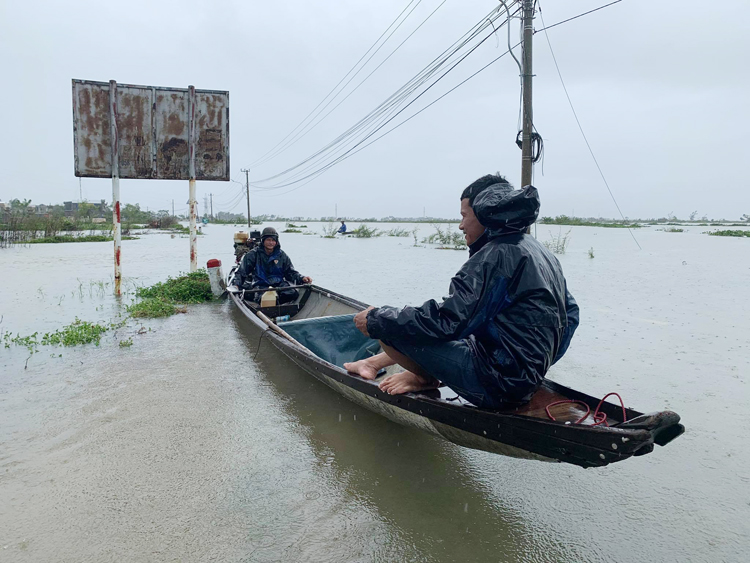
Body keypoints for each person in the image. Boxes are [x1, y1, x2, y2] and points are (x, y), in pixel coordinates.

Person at [344, 174, 579, 409]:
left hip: (500, 385)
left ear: (484, 214)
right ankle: (373, 363)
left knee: (388, 326)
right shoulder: (535, 249)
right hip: (520, 375)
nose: (461, 225)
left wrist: (376, 318)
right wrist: (536, 366)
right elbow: (570, 315)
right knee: (425, 324)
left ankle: (424, 379)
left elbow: (448, 322)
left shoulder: (495, 255)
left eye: (464, 216)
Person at [232, 227, 312, 304]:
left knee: (292, 293)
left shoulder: (282, 255)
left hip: (279, 285)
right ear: (263, 241)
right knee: (261, 298)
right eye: (268, 240)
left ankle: (277, 305)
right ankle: (268, 305)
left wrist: (302, 278)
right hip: (260, 285)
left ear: (276, 242)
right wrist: (236, 285)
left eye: (273, 240)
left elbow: (290, 272)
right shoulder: (253, 254)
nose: (271, 243)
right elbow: (241, 272)